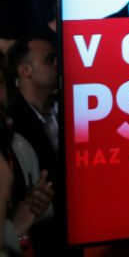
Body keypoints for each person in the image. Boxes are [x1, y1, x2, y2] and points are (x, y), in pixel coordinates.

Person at [6, 36, 62, 255]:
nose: (58, 64)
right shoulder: (12, 124)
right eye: (51, 60)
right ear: (25, 71)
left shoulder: (73, 108)